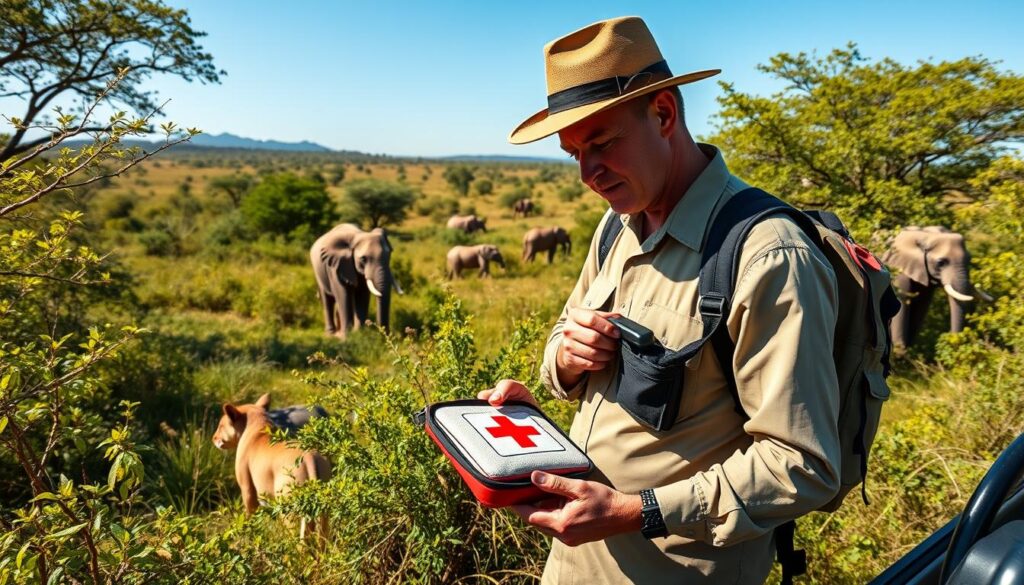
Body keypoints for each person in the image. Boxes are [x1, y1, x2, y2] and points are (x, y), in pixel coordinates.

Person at [478, 16, 842, 584]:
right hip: (575, 567)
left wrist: (638, 511)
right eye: (573, 153)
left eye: (601, 143)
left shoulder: (767, 256)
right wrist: (566, 365)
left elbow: (802, 465)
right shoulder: (616, 226)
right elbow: (562, 353)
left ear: (665, 114)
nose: (588, 174)